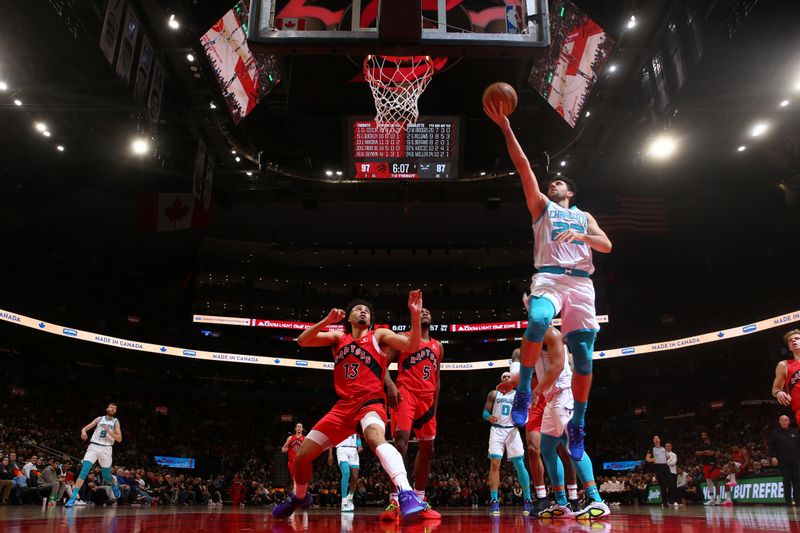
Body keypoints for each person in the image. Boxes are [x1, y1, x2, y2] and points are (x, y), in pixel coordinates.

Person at [484, 101, 612, 462]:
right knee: (539, 320)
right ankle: (524, 389)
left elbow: (607, 245)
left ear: (570, 192)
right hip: (550, 278)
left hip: (582, 285)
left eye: (558, 183)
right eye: (551, 182)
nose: (552, 184)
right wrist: (506, 127)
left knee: (584, 357)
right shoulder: (542, 207)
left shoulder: (584, 217)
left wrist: (583, 238)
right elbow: (523, 166)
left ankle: (580, 423)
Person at [272, 291, 427, 520]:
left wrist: (414, 315)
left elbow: (412, 345)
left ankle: (406, 493)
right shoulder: (338, 339)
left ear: (371, 319)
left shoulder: (379, 335)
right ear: (349, 318)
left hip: (370, 402)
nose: (363, 311)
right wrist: (326, 322)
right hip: (343, 407)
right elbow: (303, 340)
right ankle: (299, 496)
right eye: (358, 309)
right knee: (303, 456)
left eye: (367, 310)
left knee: (376, 439)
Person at [527, 327, 609, 519]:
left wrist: (536, 390)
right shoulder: (533, 337)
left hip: (563, 393)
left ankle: (596, 500)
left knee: (571, 445)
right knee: (547, 448)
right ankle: (562, 503)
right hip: (550, 399)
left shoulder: (552, 334)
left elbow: (556, 366)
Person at [383, 307, 443, 521]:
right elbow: (382, 364)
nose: (425, 313)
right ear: (414, 316)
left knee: (428, 449)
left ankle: (419, 499)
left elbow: (436, 378)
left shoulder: (438, 346)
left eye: (428, 311)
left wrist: (435, 404)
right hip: (405, 393)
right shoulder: (402, 338)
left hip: (427, 400)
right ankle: (395, 501)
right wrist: (390, 385)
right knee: (400, 444)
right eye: (421, 311)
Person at [482, 371, 533, 516]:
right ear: (500, 380)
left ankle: (528, 499)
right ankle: (494, 500)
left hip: (512, 430)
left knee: (519, 464)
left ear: (513, 380)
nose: (506, 378)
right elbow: (485, 412)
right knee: (495, 463)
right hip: (497, 430)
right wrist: (488, 417)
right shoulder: (493, 394)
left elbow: (524, 412)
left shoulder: (518, 394)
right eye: (504, 377)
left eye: (508, 376)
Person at [65, 403, 123, 507]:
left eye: (115, 408)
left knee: (106, 475)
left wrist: (109, 431)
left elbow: (119, 439)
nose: (112, 409)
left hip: (106, 448)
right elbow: (85, 428)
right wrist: (83, 432)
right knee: (84, 471)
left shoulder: (115, 422)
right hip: (93, 447)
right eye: (111, 407)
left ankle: (114, 484)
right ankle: (73, 498)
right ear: (107, 408)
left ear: (115, 411)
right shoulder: (99, 419)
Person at [770, 414, 800, 506]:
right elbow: (771, 447)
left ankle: (798, 500)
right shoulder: (775, 432)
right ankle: (788, 501)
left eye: (786, 420)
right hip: (783, 461)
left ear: (789, 422)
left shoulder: (795, 431)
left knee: (797, 480)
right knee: (787, 480)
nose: (784, 422)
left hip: (796, 461)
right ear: (779, 422)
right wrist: (773, 457)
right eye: (782, 420)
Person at [327, 434, 362, 512]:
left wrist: (359, 445)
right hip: (341, 449)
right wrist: (330, 453)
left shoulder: (355, 424)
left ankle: (350, 497)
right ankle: (344, 501)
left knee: (355, 477)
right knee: (346, 473)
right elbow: (332, 439)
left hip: (353, 451)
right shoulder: (338, 424)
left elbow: (358, 437)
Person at [772, 330, 800, 424]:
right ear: (789, 347)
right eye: (790, 340)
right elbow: (775, 388)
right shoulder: (784, 365)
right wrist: (779, 392)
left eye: (797, 338)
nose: (793, 341)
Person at [695, 431, 721, 506]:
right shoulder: (700, 444)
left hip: (713, 464)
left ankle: (718, 499)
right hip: (705, 465)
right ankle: (712, 499)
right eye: (702, 435)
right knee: (709, 483)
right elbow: (697, 453)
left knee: (715, 481)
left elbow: (712, 453)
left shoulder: (712, 443)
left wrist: (702, 453)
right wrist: (705, 451)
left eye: (704, 435)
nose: (703, 436)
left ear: (707, 435)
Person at [646, 436, 671, 507]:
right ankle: (665, 502)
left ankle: (670, 499)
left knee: (670, 482)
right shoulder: (652, 448)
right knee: (663, 484)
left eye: (657, 438)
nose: (656, 439)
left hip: (665, 466)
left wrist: (667, 457)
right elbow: (647, 458)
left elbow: (666, 457)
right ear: (653, 441)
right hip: (658, 467)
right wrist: (651, 459)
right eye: (654, 438)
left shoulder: (663, 448)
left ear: (660, 440)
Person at [281, 423, 305, 492]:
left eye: (300, 426)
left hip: (300, 461)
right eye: (297, 426)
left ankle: (297, 491)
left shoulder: (305, 439)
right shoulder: (290, 438)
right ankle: (295, 491)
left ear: (302, 429)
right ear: (295, 428)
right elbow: (283, 449)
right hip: (292, 461)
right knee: (295, 479)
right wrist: (286, 448)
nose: (299, 427)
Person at [665, 442, 679, 508]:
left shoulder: (674, 454)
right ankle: (667, 501)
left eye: (669, 446)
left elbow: (673, 463)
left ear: (671, 447)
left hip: (672, 472)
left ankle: (674, 501)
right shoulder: (663, 455)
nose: (668, 447)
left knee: (673, 487)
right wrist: (668, 462)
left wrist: (666, 462)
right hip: (665, 473)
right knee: (667, 487)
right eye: (666, 446)